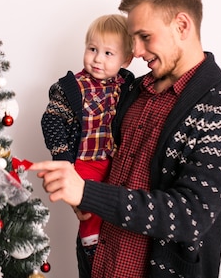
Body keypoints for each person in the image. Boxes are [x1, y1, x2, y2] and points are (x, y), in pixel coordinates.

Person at [31, 0, 221, 278]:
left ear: (182, 26)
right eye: (132, 38)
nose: (134, 50)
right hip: (97, 261)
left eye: (145, 37)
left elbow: (190, 215)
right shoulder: (131, 89)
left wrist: (86, 193)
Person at [40, 14, 134, 276]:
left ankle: (106, 249)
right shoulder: (72, 87)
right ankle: (90, 247)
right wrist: (63, 160)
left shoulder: (127, 86)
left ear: (126, 60)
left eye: (108, 53)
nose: (97, 59)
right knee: (88, 206)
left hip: (113, 161)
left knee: (114, 209)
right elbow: (52, 121)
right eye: (92, 49)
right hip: (84, 161)